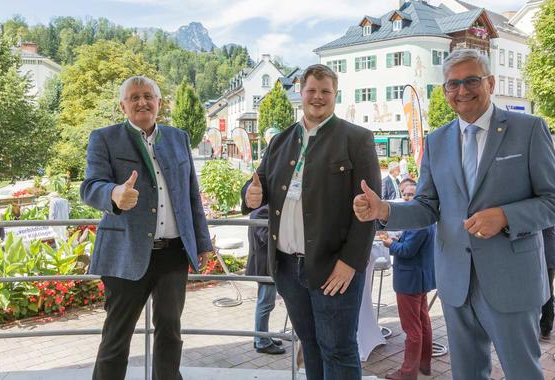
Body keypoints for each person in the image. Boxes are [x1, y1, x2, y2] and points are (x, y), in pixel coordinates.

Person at [352, 49, 555, 380]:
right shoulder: (437, 141)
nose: (462, 90)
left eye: (471, 80)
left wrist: (505, 216)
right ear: (444, 91)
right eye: (453, 84)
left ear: (491, 82)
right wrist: (384, 210)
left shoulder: (528, 129)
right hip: (455, 282)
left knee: (523, 372)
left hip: (511, 280)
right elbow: (427, 206)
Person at [241, 64, 381, 379]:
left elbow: (368, 211)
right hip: (288, 268)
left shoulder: (357, 139)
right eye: (311, 91)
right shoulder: (280, 141)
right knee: (310, 344)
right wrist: (250, 196)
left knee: (339, 350)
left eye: (325, 92)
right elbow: (258, 185)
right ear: (301, 93)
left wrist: (350, 262)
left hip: (335, 267)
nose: (317, 98)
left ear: (335, 95)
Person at [80, 76, 212, 380]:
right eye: (135, 97)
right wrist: (114, 194)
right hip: (124, 254)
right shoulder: (104, 138)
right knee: (116, 337)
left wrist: (202, 243)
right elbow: (90, 186)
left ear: (159, 103)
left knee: (170, 333)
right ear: (123, 105)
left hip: (173, 254)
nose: (142, 102)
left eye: (148, 96)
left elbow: (192, 195)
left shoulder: (178, 138)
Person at [379, 179, 435, 380]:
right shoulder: (426, 216)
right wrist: (396, 241)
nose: (408, 197)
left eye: (411, 194)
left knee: (412, 328)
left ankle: (408, 372)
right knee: (423, 322)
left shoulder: (418, 220)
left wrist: (389, 244)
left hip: (410, 280)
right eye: (405, 194)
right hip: (420, 278)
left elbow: (408, 251)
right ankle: (424, 365)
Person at [246, 205, 285, 355]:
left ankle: (261, 337)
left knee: (264, 303)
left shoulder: (261, 208)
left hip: (264, 264)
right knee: (265, 304)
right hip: (265, 265)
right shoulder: (263, 210)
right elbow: (266, 236)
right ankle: (262, 341)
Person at [539, 223, 555, 340]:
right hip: (549, 255)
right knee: (548, 291)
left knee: (538, 292)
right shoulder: (548, 208)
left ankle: (542, 327)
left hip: (537, 256)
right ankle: (545, 329)